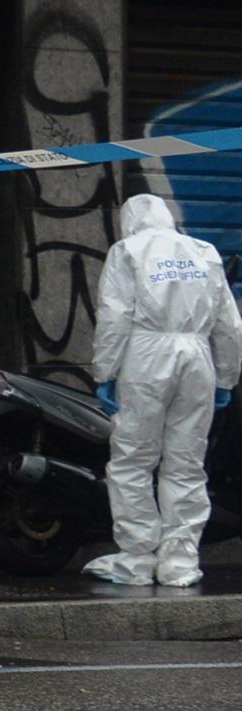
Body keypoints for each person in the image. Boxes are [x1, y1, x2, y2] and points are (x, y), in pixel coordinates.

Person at [86, 193, 242, 588]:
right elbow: (229, 322)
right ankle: (179, 563)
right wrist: (226, 378)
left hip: (147, 356)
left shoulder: (128, 251)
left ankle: (136, 559)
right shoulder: (203, 251)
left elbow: (115, 317)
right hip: (197, 356)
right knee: (186, 464)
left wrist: (105, 372)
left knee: (133, 460)